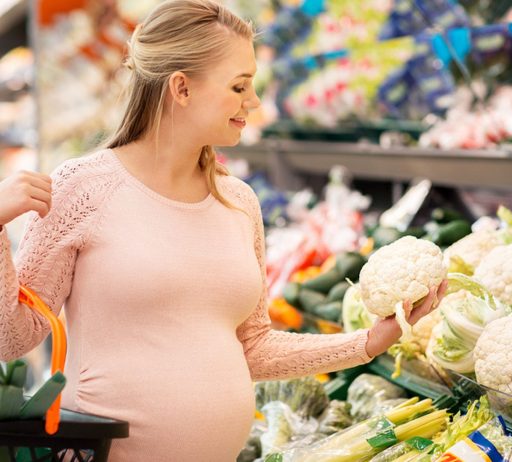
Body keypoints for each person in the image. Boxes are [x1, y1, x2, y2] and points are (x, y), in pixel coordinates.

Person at [0, 1, 447, 460]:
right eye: (239, 86)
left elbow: (252, 346)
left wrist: (368, 343)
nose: (252, 102)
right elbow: (14, 338)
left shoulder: (238, 202)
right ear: (182, 88)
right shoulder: (82, 188)